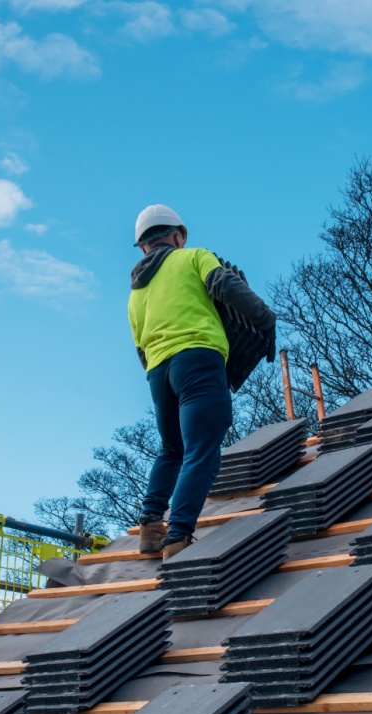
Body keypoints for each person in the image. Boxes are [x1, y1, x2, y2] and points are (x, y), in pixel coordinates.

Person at [128, 204, 277, 559]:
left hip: (158, 372)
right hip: (198, 358)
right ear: (177, 235)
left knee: (171, 449)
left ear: (143, 246)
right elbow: (224, 283)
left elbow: (140, 349)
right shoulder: (193, 256)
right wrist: (266, 319)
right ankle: (178, 535)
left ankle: (150, 528)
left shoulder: (135, 294)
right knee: (201, 450)